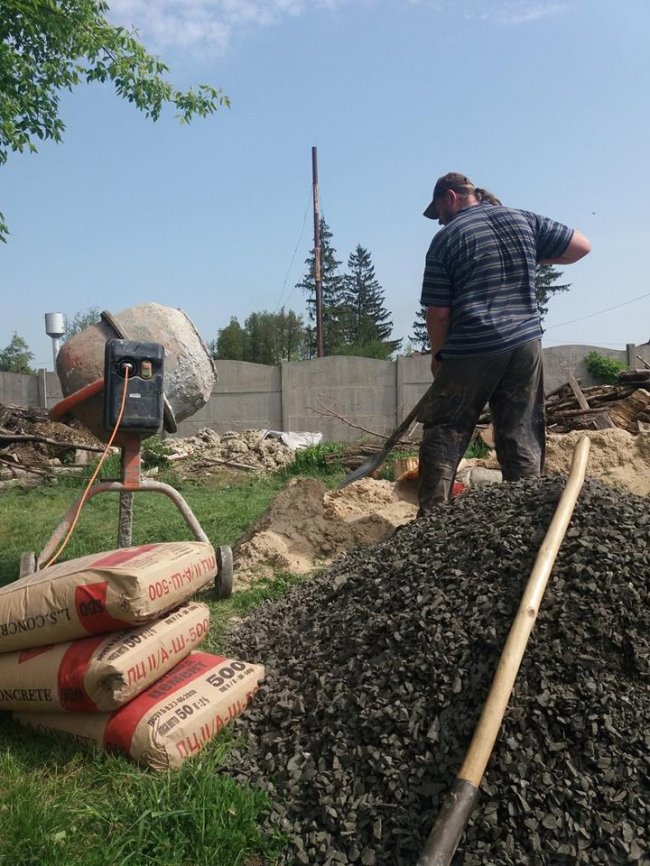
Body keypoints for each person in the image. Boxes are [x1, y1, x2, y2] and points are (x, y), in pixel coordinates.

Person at [417, 172, 591, 515]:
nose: (439, 221)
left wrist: (439, 355)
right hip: (525, 342)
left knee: (446, 427)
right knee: (521, 428)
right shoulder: (523, 219)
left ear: (450, 197)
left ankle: (431, 521)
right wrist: (529, 257)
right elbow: (580, 247)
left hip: (473, 345)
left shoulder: (447, 239)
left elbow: (438, 313)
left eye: (438, 211)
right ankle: (525, 513)